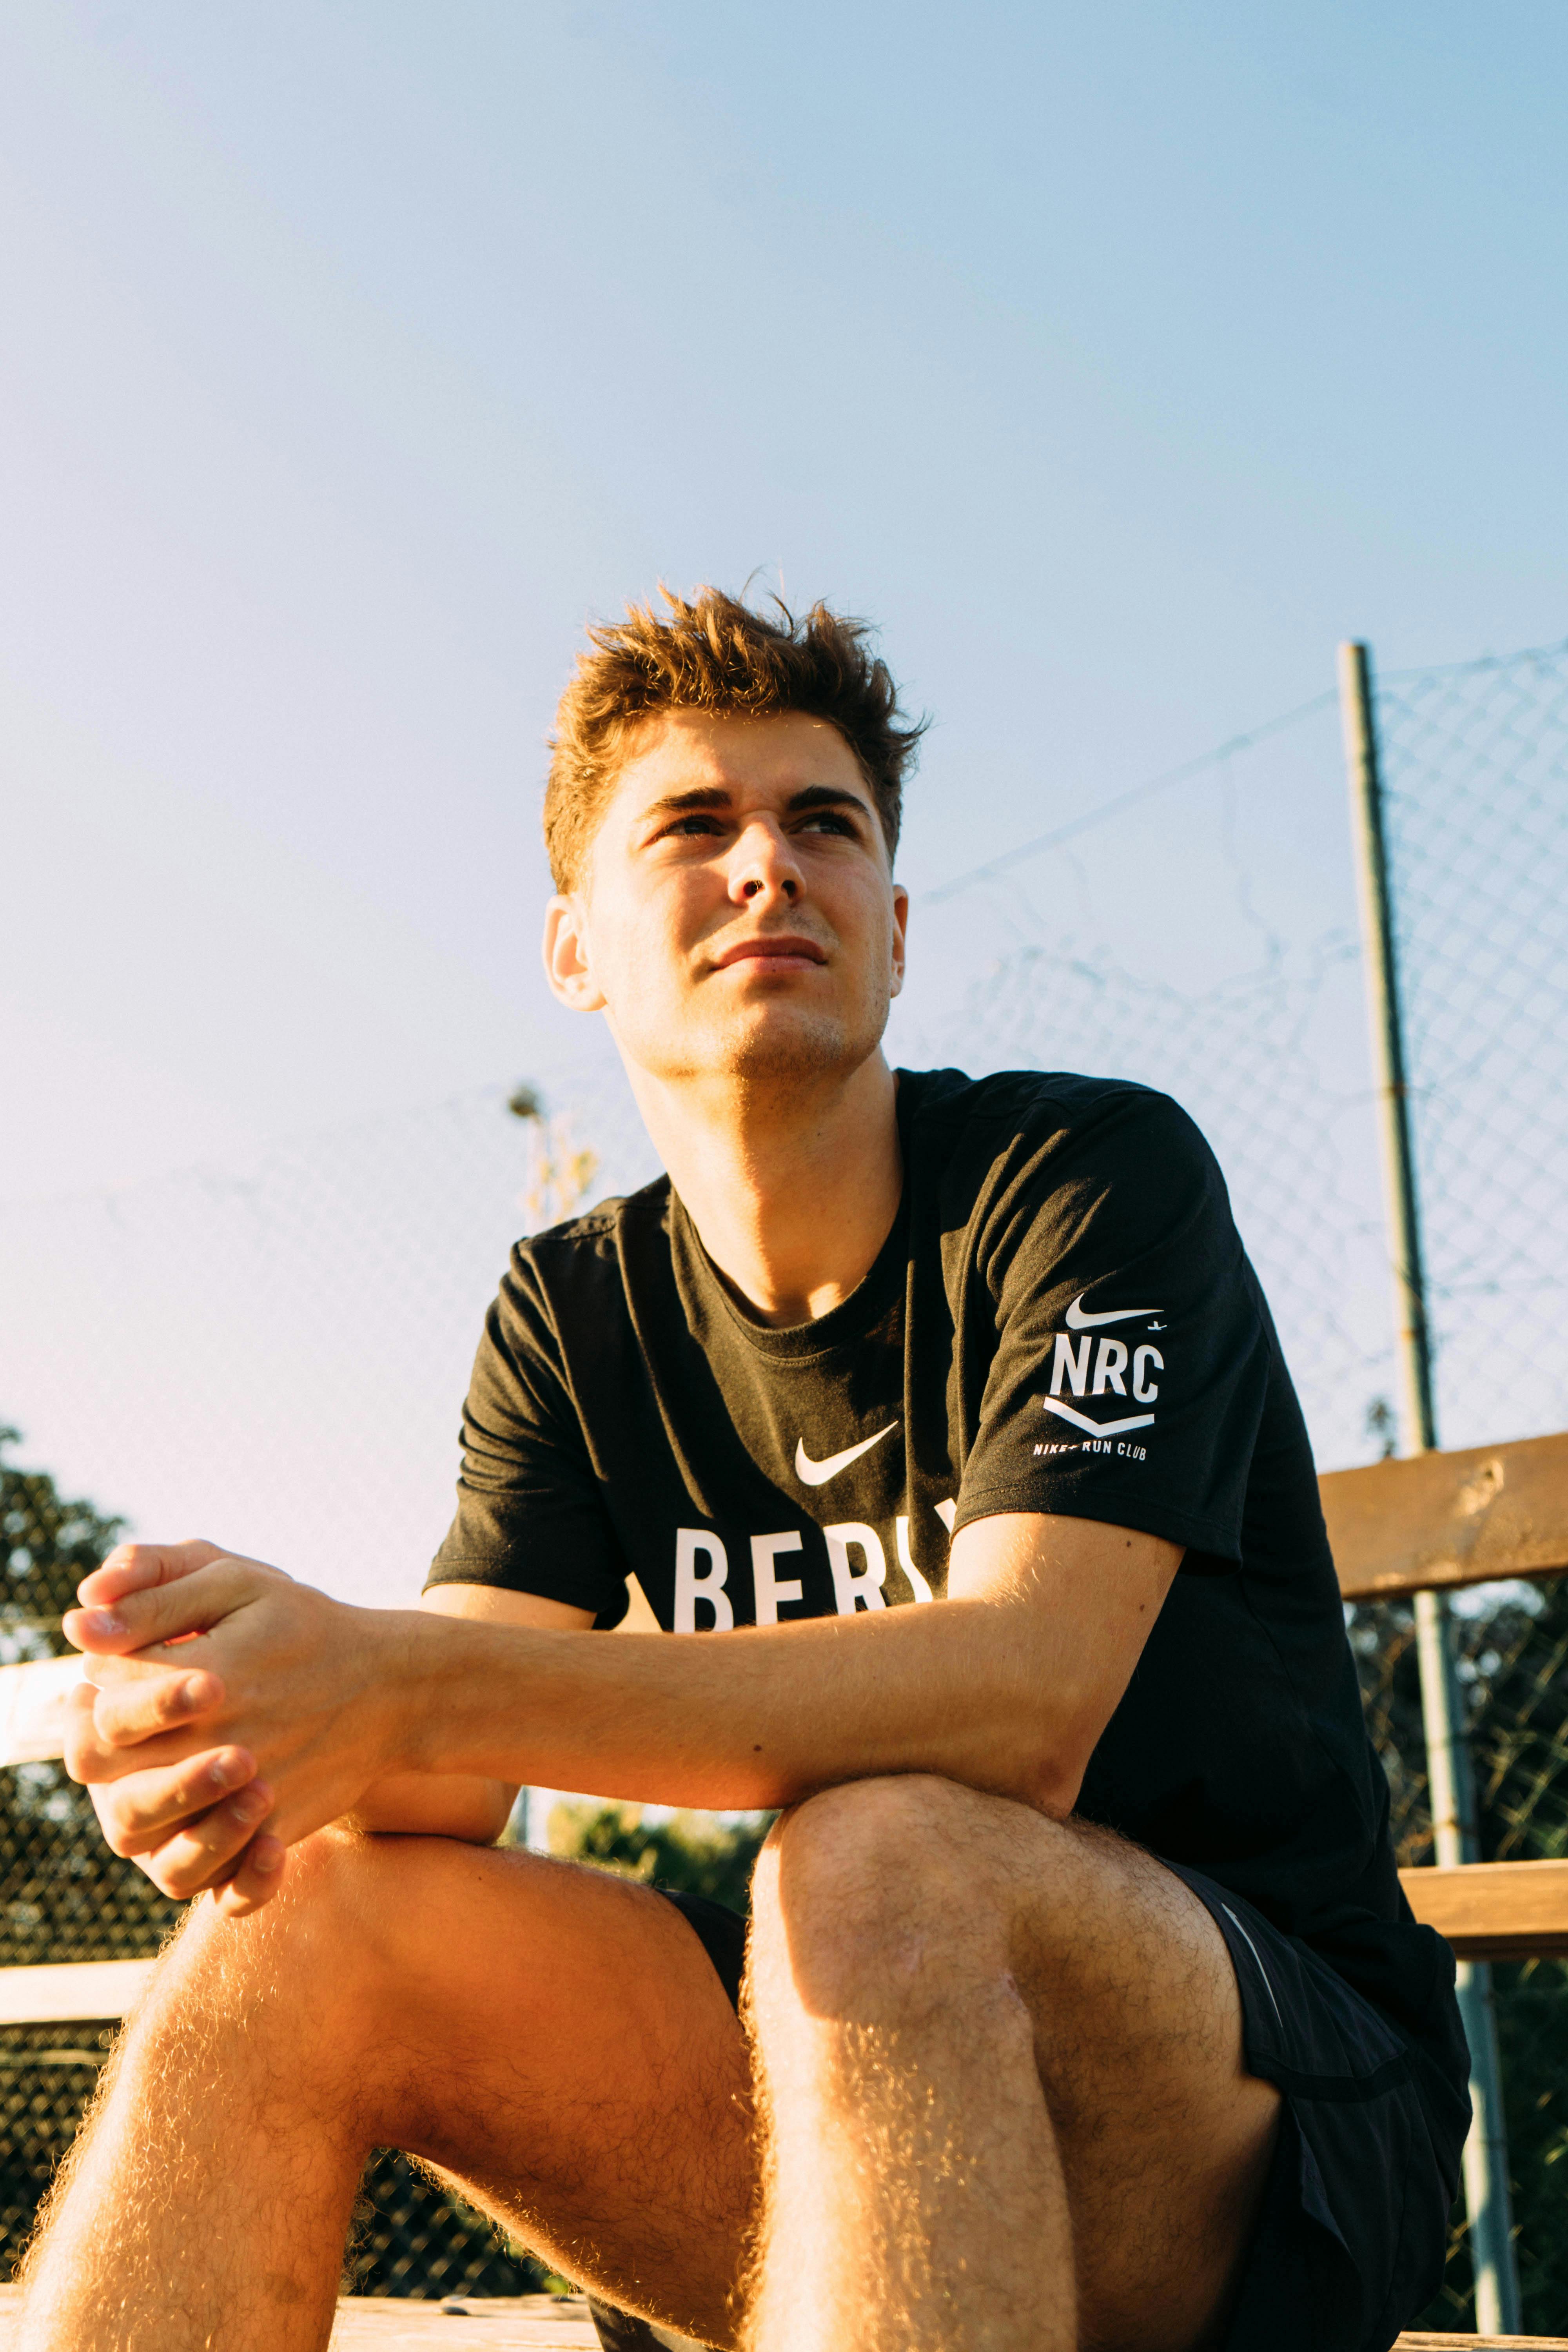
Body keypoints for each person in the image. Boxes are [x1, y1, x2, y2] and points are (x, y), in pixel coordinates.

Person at [28, 589, 1467, 2352]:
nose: (767, 868)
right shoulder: (576, 1303)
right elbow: (442, 1777)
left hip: (1268, 2126)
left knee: (879, 1858)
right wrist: (241, 1741)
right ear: (575, 947)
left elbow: (1028, 1701)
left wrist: (397, 1677)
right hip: (863, 2103)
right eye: (694, 827)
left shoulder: (1084, 1177)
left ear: (895, 923)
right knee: (308, 1927)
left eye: (823, 825)